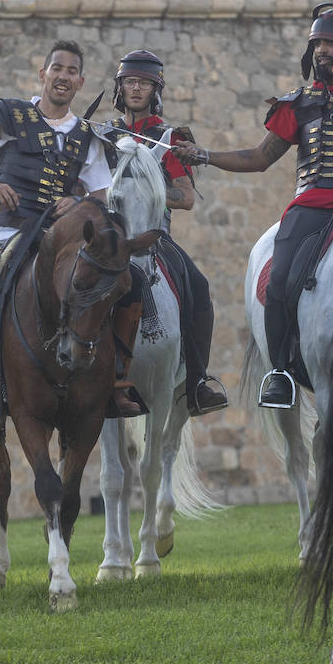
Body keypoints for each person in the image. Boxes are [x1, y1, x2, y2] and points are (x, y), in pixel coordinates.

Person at [173, 4, 333, 407]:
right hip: (312, 204)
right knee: (280, 277)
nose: (323, 51)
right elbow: (259, 158)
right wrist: (205, 155)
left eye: (332, 43)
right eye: (317, 43)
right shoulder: (298, 104)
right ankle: (281, 369)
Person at [0, 40, 116, 447]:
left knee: (109, 281)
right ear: (43, 75)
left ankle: (115, 381)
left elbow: (102, 193)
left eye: (71, 71)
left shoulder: (88, 135)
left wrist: (78, 201)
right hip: (5, 229)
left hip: (56, 237)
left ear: (80, 81)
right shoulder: (9, 117)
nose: (63, 76)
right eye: (56, 68)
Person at [99, 50, 229, 416]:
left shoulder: (170, 138)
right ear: (120, 88)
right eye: (129, 82)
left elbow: (186, 198)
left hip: (156, 235)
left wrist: (151, 193)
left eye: (143, 83)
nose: (135, 88)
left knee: (199, 286)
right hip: (111, 237)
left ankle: (197, 381)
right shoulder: (103, 135)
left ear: (155, 89)